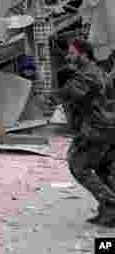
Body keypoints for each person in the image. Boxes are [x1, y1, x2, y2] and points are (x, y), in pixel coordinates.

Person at [50, 38, 115, 226]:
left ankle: (110, 204)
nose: (68, 57)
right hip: (105, 127)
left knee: (78, 166)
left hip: (97, 128)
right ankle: (109, 212)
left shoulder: (88, 75)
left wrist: (61, 85)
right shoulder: (94, 72)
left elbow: (72, 96)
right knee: (103, 168)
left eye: (72, 53)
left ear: (84, 55)